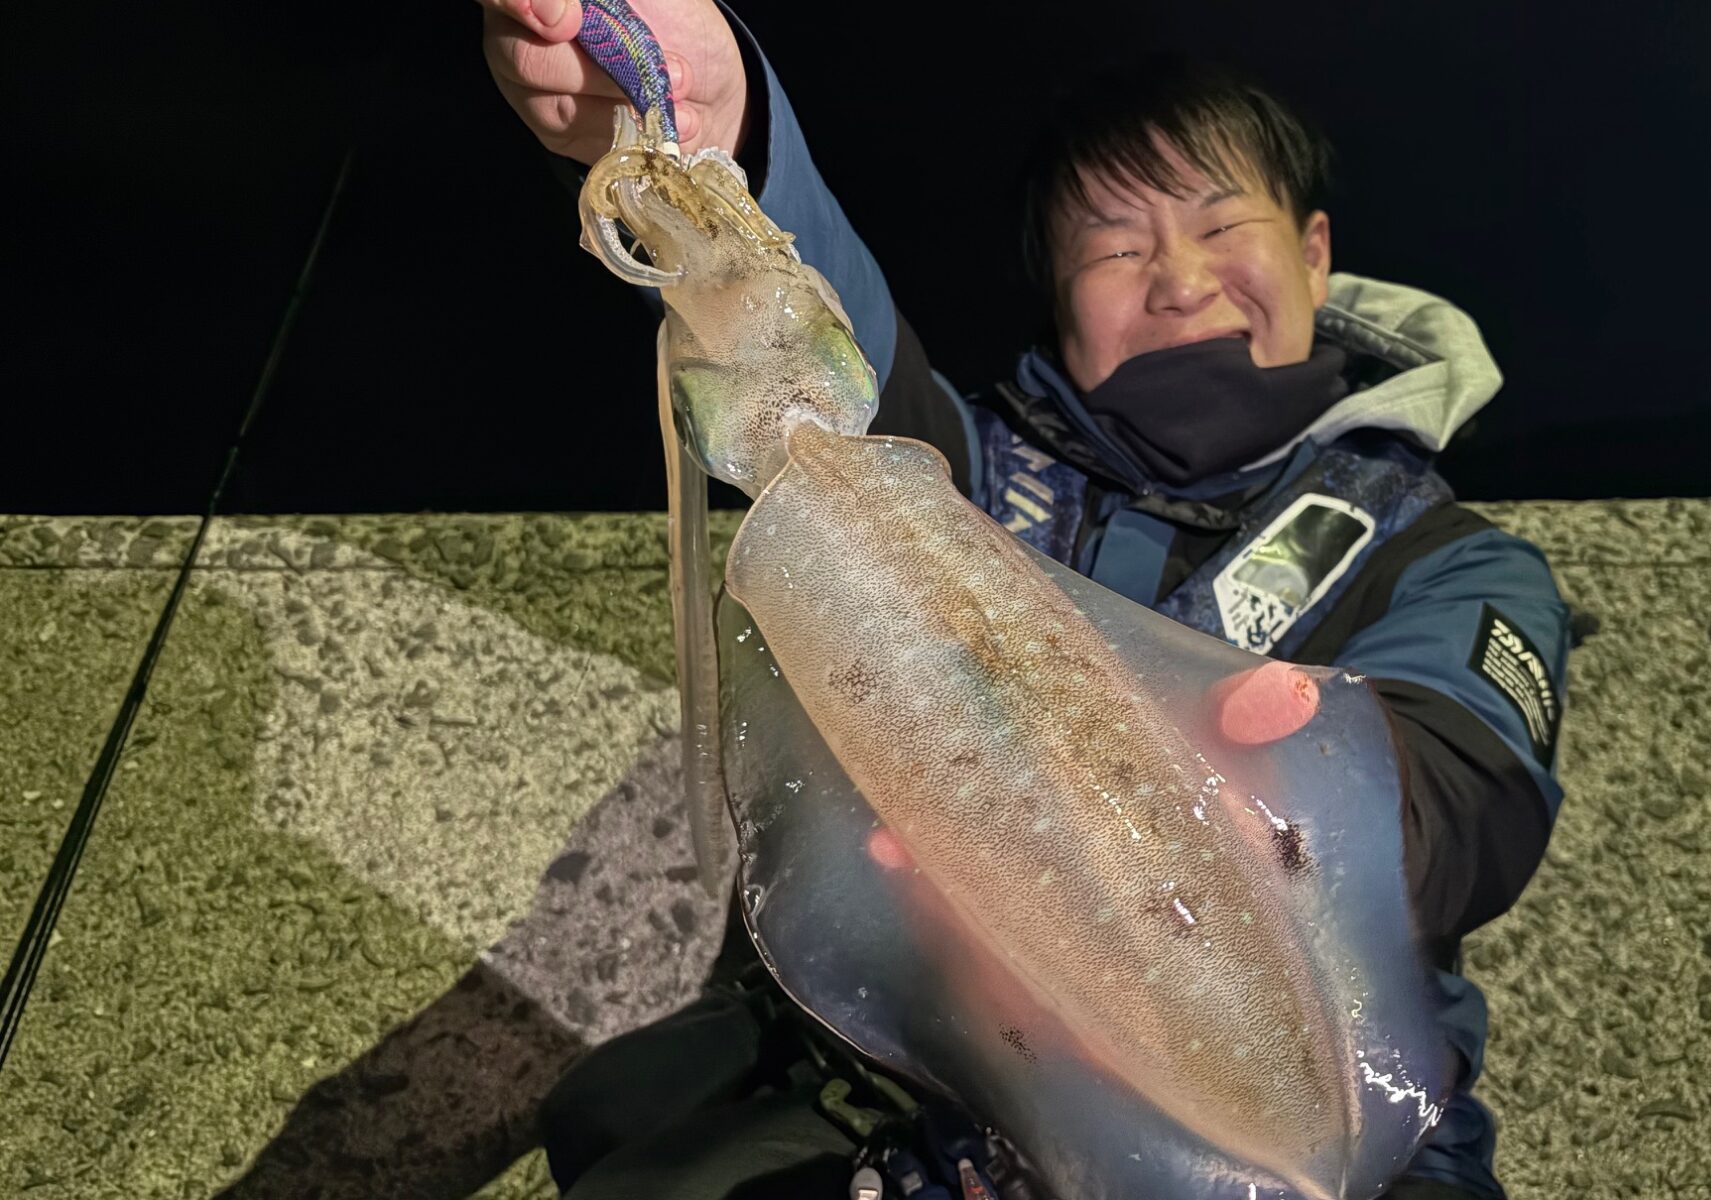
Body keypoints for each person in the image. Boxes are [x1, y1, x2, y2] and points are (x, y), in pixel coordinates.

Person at [481, 2, 1572, 1197]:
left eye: (1221, 226)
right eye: (1113, 248)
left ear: (1313, 252)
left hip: (1340, 1131)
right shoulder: (965, 475)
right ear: (1058, 295)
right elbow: (831, 363)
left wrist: (1286, 802)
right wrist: (718, 136)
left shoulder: (1451, 560)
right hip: (941, 1118)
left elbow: (1464, 796)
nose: (1179, 279)